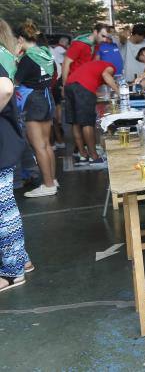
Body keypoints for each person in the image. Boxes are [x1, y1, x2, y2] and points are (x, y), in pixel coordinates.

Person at [0, 18, 32, 293]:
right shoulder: (6, 56)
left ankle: (12, 272)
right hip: (7, 138)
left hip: (2, 141)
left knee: (3, 209)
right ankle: (22, 259)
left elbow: (5, 89)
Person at [14, 21, 58, 198]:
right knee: (47, 144)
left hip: (33, 101)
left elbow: (15, 81)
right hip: (47, 98)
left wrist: (16, 57)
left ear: (20, 39)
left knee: (38, 146)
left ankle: (47, 185)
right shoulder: (45, 53)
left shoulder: (27, 58)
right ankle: (52, 180)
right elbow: (55, 74)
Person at [65, 60, 119, 165]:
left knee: (75, 122)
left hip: (69, 85)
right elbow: (106, 75)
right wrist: (118, 91)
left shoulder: (94, 67)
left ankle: (83, 155)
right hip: (82, 87)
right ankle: (94, 157)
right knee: (87, 122)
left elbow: (92, 89)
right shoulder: (110, 66)